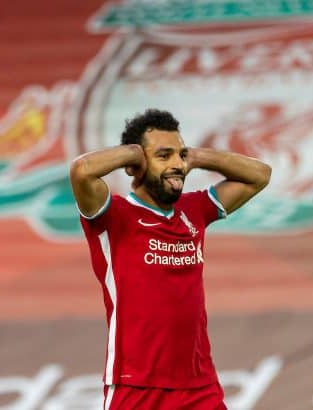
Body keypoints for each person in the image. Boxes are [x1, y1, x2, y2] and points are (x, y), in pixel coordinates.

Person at [69, 109, 271, 409]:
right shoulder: (113, 216)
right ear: (134, 165)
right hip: (136, 386)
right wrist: (133, 153)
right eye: (164, 156)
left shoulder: (195, 209)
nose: (177, 165)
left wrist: (198, 157)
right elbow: (81, 170)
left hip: (200, 386)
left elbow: (260, 176)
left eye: (180, 156)